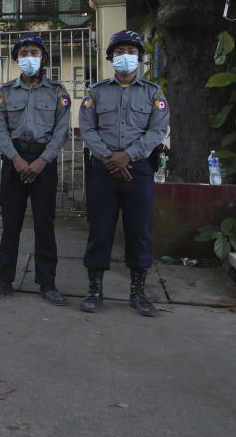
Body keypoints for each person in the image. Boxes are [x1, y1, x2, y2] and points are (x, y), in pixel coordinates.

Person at [78, 30, 169, 316]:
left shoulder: (153, 93)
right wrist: (110, 158)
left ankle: (138, 293)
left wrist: (127, 156)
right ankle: (95, 291)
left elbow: (158, 130)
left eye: (130, 50)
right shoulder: (96, 92)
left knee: (139, 231)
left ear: (139, 57)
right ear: (110, 58)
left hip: (138, 169)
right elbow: (87, 129)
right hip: (103, 170)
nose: (124, 56)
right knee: (100, 230)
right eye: (118, 52)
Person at [0, 33, 71, 305]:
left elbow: (61, 130)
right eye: (23, 54)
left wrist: (42, 160)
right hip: (15, 162)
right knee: (11, 224)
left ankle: (48, 283)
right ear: (16, 59)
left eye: (34, 52)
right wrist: (16, 159)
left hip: (44, 161)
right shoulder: (4, 92)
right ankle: (4, 279)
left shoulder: (58, 92)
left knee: (45, 224)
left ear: (43, 57)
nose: (28, 57)